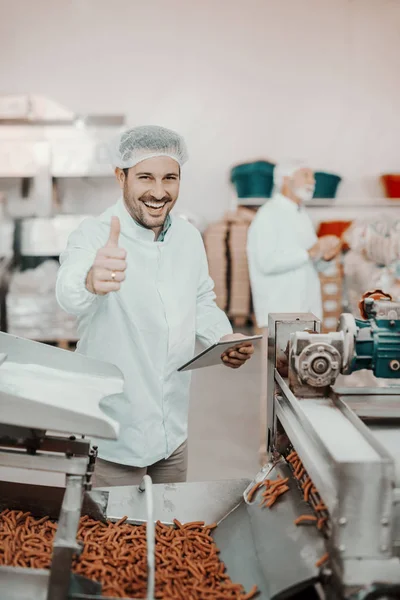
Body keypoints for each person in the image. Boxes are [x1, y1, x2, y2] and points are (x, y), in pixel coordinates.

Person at [56, 125, 254, 486]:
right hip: (113, 436)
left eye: (170, 178)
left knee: (171, 535)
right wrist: (90, 279)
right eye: (145, 177)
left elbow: (201, 299)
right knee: (113, 538)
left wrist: (222, 337)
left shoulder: (189, 237)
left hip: (172, 433)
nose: (159, 192)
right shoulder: (95, 234)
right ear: (121, 176)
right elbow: (69, 292)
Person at [246, 160, 341, 464]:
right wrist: (310, 252)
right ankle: (270, 456)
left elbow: (310, 263)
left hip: (306, 316)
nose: (312, 179)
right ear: (285, 178)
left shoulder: (301, 215)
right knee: (276, 388)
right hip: (280, 316)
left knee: (305, 385)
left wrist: (327, 256)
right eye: (306, 174)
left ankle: (297, 455)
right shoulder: (268, 215)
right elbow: (266, 261)